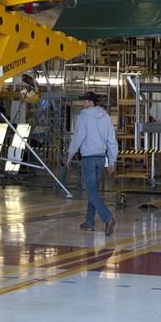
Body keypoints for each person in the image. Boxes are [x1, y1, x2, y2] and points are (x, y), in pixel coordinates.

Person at [66, 90, 118, 234]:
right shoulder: (106, 117)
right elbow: (112, 141)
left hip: (88, 158)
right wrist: (112, 161)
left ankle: (107, 218)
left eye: (85, 101)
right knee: (93, 190)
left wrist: (71, 154)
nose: (83, 103)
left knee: (91, 190)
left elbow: (79, 137)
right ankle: (89, 222)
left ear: (91, 102)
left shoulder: (84, 116)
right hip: (101, 158)